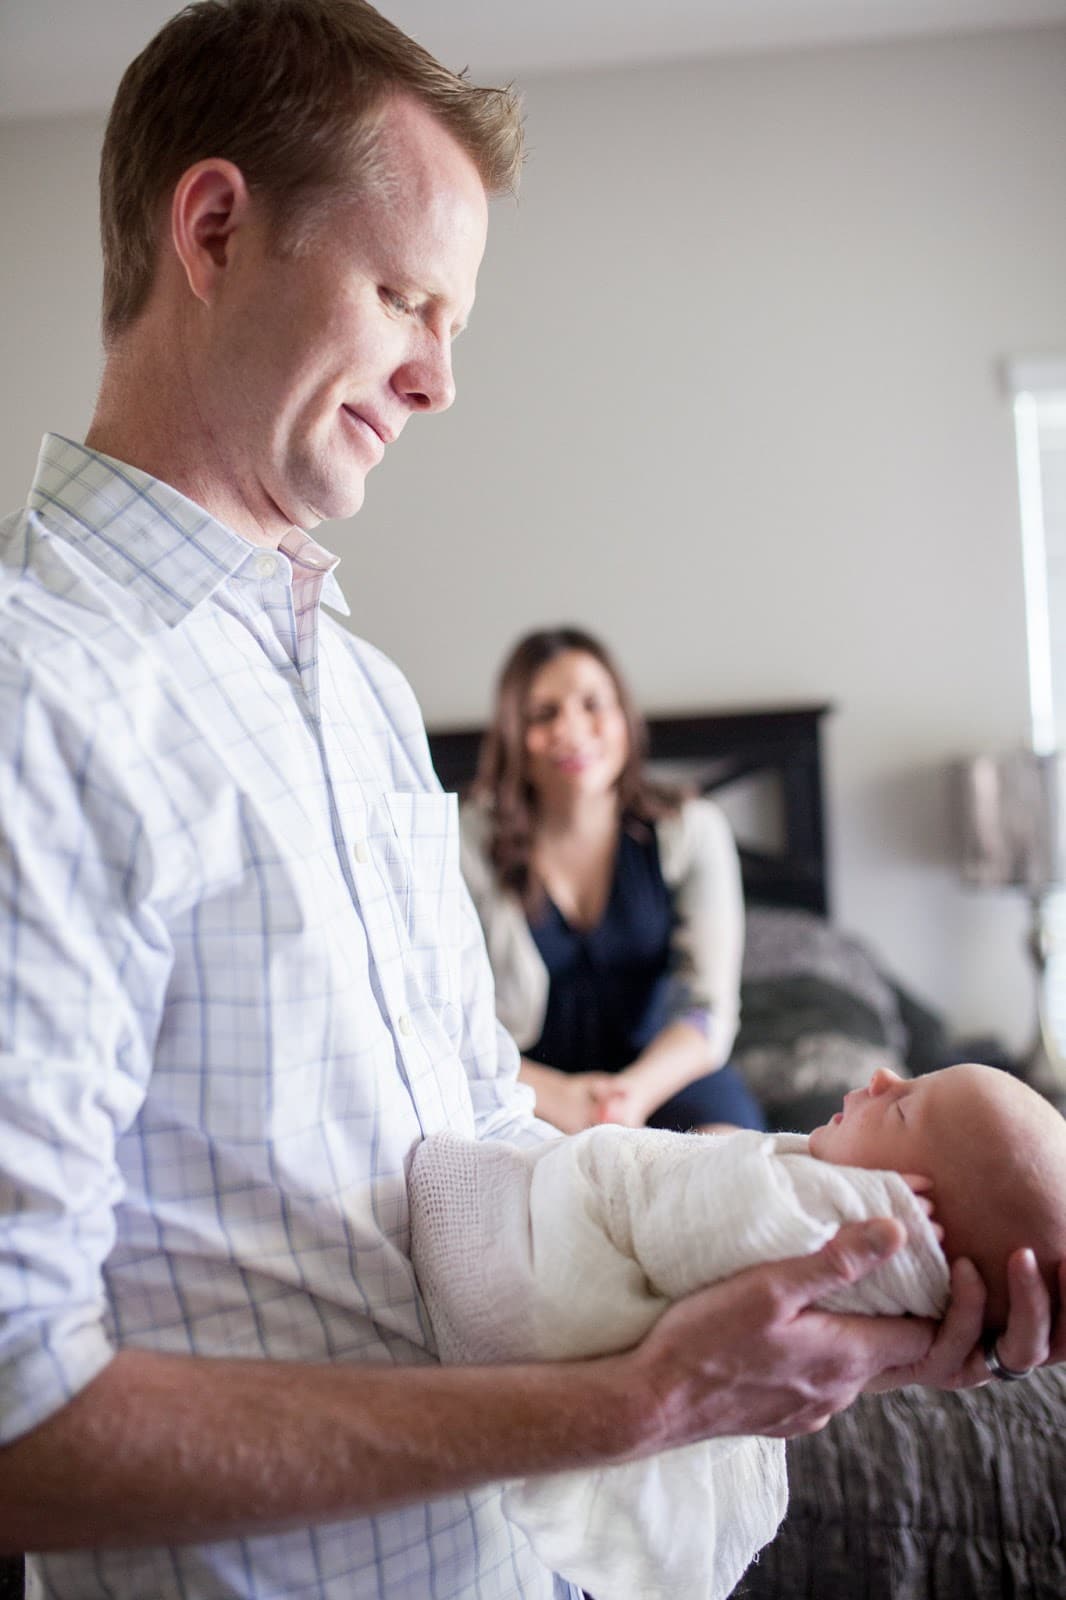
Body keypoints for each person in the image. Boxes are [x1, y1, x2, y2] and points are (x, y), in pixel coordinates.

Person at [0, 3, 1060, 1598]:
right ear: (214, 228)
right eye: (404, 298)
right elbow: (21, 1417)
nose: (437, 380)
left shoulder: (354, 693)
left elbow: (489, 1159)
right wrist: (630, 1409)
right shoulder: (40, 696)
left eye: (456, 322)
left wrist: (823, 1277)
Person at [409, 1061, 1066, 1599]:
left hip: (508, 1286)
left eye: (902, 1109)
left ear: (908, 1213)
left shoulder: (804, 1218)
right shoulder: (816, 1207)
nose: (883, 1076)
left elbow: (687, 1225)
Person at [461, 626, 765, 1134]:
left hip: (664, 1073)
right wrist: (557, 1098)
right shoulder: (467, 843)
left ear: (625, 717)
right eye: (543, 714)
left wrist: (628, 1098)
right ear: (515, 738)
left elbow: (709, 1010)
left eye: (593, 704)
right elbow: (451, 1022)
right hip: (521, 1085)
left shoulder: (690, 831)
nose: (573, 729)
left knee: (727, 1157)